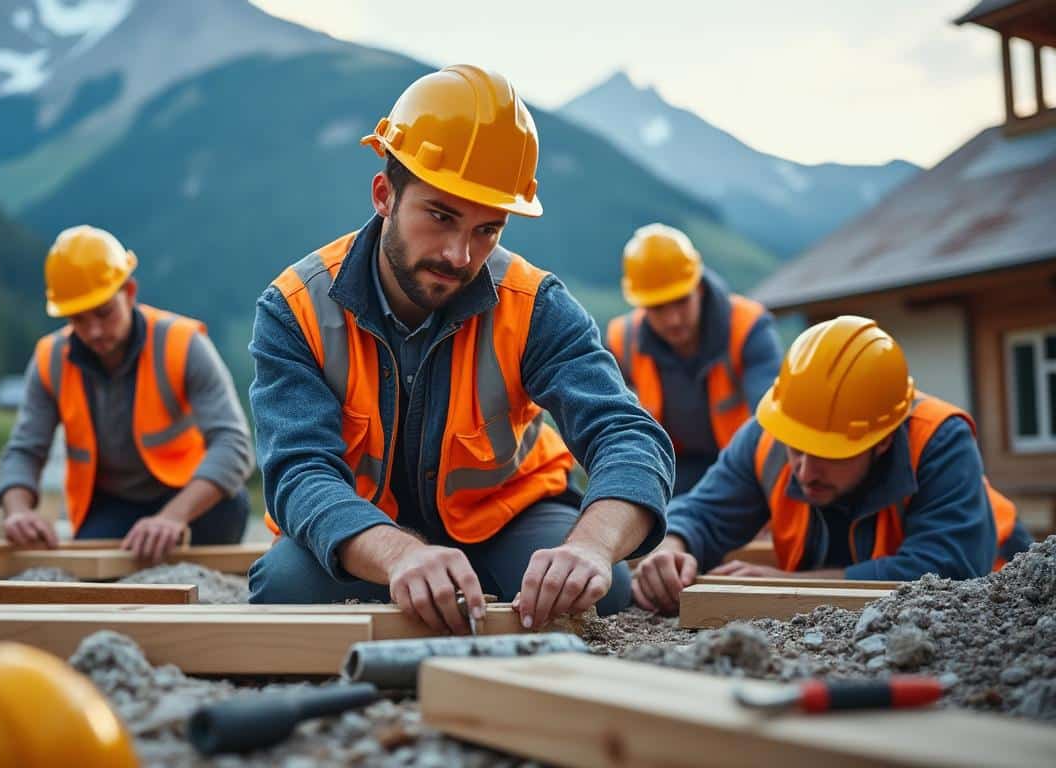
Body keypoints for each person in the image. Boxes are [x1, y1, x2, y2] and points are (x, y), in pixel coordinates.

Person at [247, 65, 675, 633]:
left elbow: (626, 433)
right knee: (284, 589)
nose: (458, 254)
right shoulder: (294, 307)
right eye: (441, 216)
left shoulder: (535, 303)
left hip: (507, 516)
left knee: (605, 588)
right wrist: (400, 555)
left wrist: (593, 547)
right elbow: (300, 472)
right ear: (385, 195)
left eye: (486, 229)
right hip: (363, 527)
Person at [632, 315, 1034, 613]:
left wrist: (788, 586)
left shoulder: (939, 440)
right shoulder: (772, 430)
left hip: (998, 594)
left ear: (882, 442)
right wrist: (673, 544)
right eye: (797, 449)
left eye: (828, 453)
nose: (804, 471)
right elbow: (703, 512)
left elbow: (947, 569)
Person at [0, 225, 253, 560]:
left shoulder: (184, 344)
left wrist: (172, 517)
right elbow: (24, 450)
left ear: (129, 291)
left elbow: (234, 446)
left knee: (229, 507)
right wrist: (17, 510)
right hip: (112, 507)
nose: (95, 330)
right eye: (79, 320)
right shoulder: (49, 361)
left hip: (193, 500)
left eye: (104, 312)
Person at [605, 223, 782, 494]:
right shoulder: (622, 341)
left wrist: (767, 494)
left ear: (699, 286)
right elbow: (612, 428)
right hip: (672, 470)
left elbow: (772, 425)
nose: (672, 320)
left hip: (743, 468)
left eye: (681, 301)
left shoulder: (749, 328)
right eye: (658, 308)